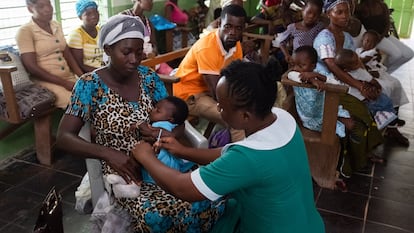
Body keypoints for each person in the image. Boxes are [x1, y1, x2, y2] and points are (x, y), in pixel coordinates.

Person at [57, 15, 224, 232]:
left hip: (164, 161)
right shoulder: (89, 85)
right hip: (127, 173)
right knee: (160, 213)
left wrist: (163, 136)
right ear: (107, 49)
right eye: (126, 52)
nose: (135, 59)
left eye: (139, 52)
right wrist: (108, 154)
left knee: (208, 194)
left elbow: (177, 121)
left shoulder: (148, 78)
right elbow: (64, 137)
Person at [133, 60, 325, 233]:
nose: (218, 108)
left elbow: (183, 188)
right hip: (309, 224)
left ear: (245, 116)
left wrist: (145, 156)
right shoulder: (281, 118)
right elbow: (229, 152)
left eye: (222, 107)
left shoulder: (247, 159)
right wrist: (183, 150)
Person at [313, 0, 383, 178]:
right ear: (329, 14)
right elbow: (332, 67)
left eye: (347, 12)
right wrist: (359, 85)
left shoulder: (348, 38)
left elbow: (356, 63)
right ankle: (351, 163)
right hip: (327, 88)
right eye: (340, 12)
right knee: (355, 123)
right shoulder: (324, 37)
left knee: (369, 108)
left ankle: (364, 153)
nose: (345, 16)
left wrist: (368, 81)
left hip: (343, 86)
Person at [173, 4, 247, 142]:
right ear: (219, 24)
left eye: (238, 28)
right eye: (228, 26)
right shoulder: (207, 46)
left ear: (243, 29)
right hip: (191, 96)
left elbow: (236, 77)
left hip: (212, 92)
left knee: (248, 110)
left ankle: (237, 149)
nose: (232, 32)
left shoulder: (235, 45)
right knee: (235, 119)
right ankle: (243, 159)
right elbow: (216, 91)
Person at [105, 96, 194, 198]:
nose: (152, 110)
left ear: (170, 119)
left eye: (158, 110)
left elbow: (149, 131)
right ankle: (128, 181)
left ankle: (133, 184)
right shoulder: (171, 125)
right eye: (155, 107)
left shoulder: (163, 124)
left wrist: (139, 124)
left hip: (161, 162)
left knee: (138, 152)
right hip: (170, 167)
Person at [15, 0, 83, 109]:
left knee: (97, 95)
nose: (48, 9)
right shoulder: (25, 31)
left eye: (49, 4)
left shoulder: (56, 25)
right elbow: (31, 67)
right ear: (30, 8)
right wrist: (64, 83)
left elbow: (67, 54)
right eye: (41, 6)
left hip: (68, 78)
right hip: (46, 82)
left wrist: (82, 76)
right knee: (80, 103)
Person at [334, 49, 397, 130]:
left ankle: (377, 119)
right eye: (356, 62)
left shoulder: (340, 77)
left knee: (373, 109)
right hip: (368, 100)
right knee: (386, 101)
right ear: (346, 69)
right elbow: (373, 81)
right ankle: (389, 120)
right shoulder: (360, 72)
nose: (359, 62)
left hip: (357, 103)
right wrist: (378, 88)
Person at [355, 0, 414, 73]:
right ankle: (380, 71)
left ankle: (384, 72)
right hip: (371, 37)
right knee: (397, 55)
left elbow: (387, 24)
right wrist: (372, 38)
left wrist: (381, 36)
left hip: (382, 36)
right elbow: (360, 27)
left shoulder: (382, 6)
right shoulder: (361, 8)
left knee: (409, 53)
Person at [277, 0, 325, 65]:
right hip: (297, 62)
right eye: (308, 12)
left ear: (319, 16)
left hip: (313, 62)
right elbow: (281, 42)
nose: (311, 16)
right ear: (302, 10)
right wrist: (287, 55)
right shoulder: (293, 27)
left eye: (315, 15)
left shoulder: (319, 26)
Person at [67, 0, 103, 73]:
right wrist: (102, 73)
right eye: (88, 14)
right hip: (89, 74)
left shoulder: (101, 31)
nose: (93, 16)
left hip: (104, 70)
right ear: (80, 17)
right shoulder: (76, 35)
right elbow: (79, 65)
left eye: (95, 12)